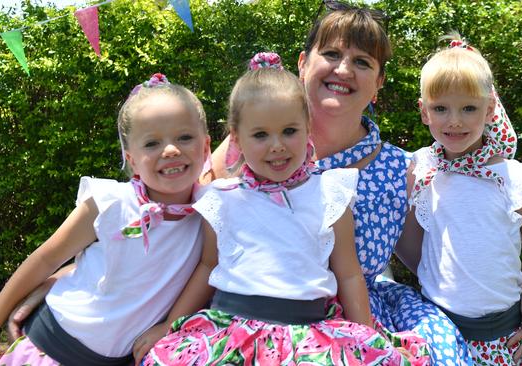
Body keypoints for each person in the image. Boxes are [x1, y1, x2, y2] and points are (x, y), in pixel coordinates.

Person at [207, 5, 522, 366]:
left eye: (362, 62)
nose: (343, 69)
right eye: (332, 54)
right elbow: (189, 234)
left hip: (364, 321)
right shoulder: (248, 146)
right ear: (303, 63)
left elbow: (442, 262)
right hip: (254, 320)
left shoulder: (402, 169)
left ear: (378, 83)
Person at [134, 52, 429, 365]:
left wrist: (366, 336)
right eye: (260, 134)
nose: (277, 145)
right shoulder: (222, 197)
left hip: (311, 334)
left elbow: (349, 274)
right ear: (237, 139)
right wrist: (170, 324)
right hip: (231, 334)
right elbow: (207, 267)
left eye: (289, 131)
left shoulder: (329, 191)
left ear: (307, 128)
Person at [0, 73, 211, 366]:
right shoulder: (110, 202)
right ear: (131, 158)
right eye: (151, 143)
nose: (171, 150)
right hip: (49, 348)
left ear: (206, 145)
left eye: (184, 137)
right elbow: (46, 259)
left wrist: (170, 325)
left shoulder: (212, 211)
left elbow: (207, 269)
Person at [403, 35, 522, 365]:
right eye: (441, 108)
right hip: (438, 335)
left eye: (468, 108)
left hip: (507, 338)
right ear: (424, 112)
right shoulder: (419, 171)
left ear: (489, 108)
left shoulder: (515, 179)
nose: (455, 121)